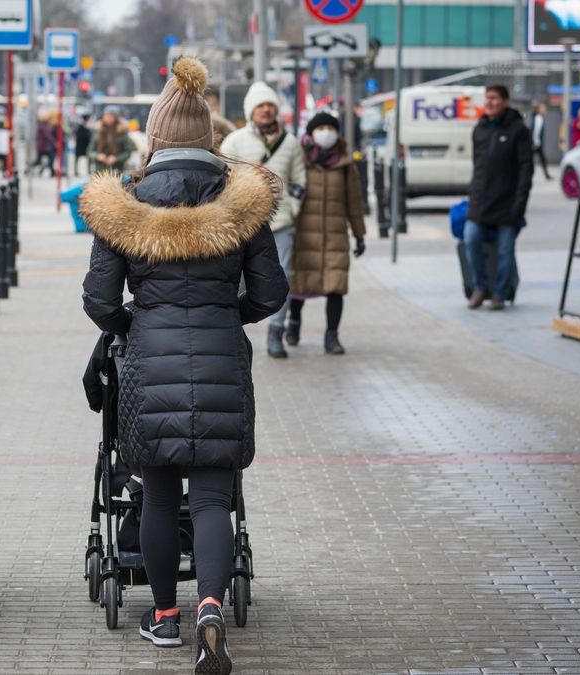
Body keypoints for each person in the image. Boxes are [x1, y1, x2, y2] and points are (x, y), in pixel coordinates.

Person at [79, 57, 288, 675]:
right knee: (214, 499)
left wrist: (133, 326)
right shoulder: (244, 202)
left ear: (155, 136)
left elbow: (97, 300)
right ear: (210, 138)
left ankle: (165, 618)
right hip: (223, 360)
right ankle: (210, 610)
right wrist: (230, 315)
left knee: (161, 499)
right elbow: (272, 293)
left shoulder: (125, 204)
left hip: (150, 368)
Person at [219, 81, 307, 358]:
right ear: (251, 111)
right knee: (236, 278)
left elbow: (299, 180)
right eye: (261, 106)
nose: (266, 110)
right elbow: (223, 179)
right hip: (243, 223)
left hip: (281, 223)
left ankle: (276, 333)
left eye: (270, 105)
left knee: (280, 278)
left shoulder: (291, 142)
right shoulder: (234, 141)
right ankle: (229, 329)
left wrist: (292, 207)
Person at [287, 112, 367, 355]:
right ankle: (294, 325)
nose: (325, 132)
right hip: (303, 234)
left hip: (335, 235)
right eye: (320, 127)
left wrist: (359, 234)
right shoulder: (298, 157)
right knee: (299, 284)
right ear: (311, 132)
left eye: (330, 128)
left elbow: (354, 202)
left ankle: (332, 336)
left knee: (336, 286)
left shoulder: (344, 164)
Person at [466, 84, 533, 311]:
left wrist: (519, 205)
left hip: (507, 204)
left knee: (505, 250)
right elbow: (478, 167)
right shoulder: (480, 129)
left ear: (505, 101)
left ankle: (500, 293)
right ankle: (479, 287)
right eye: (487, 98)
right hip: (480, 203)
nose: (489, 102)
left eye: (494, 98)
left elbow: (526, 170)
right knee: (471, 239)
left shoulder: (518, 130)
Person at [86, 105, 135, 174]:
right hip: (100, 172)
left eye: (110, 116)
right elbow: (90, 151)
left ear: (115, 117)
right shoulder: (98, 132)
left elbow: (128, 152)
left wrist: (116, 158)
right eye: (105, 116)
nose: (107, 118)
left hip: (117, 170)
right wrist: (98, 156)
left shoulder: (122, 132)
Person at [530, 103, 550, 180]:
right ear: (539, 109)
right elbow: (535, 132)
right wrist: (535, 143)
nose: (545, 109)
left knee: (542, 159)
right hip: (535, 144)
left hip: (537, 143)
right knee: (530, 160)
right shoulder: (538, 118)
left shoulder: (539, 118)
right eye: (543, 108)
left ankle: (546, 175)